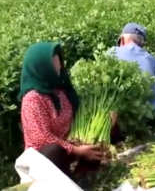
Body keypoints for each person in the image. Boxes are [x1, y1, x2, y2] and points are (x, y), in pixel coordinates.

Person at [18, 42, 103, 179]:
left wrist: (105, 118)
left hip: (68, 149)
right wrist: (77, 150)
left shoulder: (59, 91)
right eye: (54, 65)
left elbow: (77, 114)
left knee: (98, 140)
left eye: (59, 63)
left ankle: (80, 177)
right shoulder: (32, 98)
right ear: (42, 68)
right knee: (54, 150)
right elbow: (42, 138)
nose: (59, 68)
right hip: (44, 158)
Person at [108, 23, 155, 132]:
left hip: (119, 118)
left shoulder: (111, 53)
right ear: (141, 43)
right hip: (148, 118)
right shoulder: (151, 59)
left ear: (122, 40)